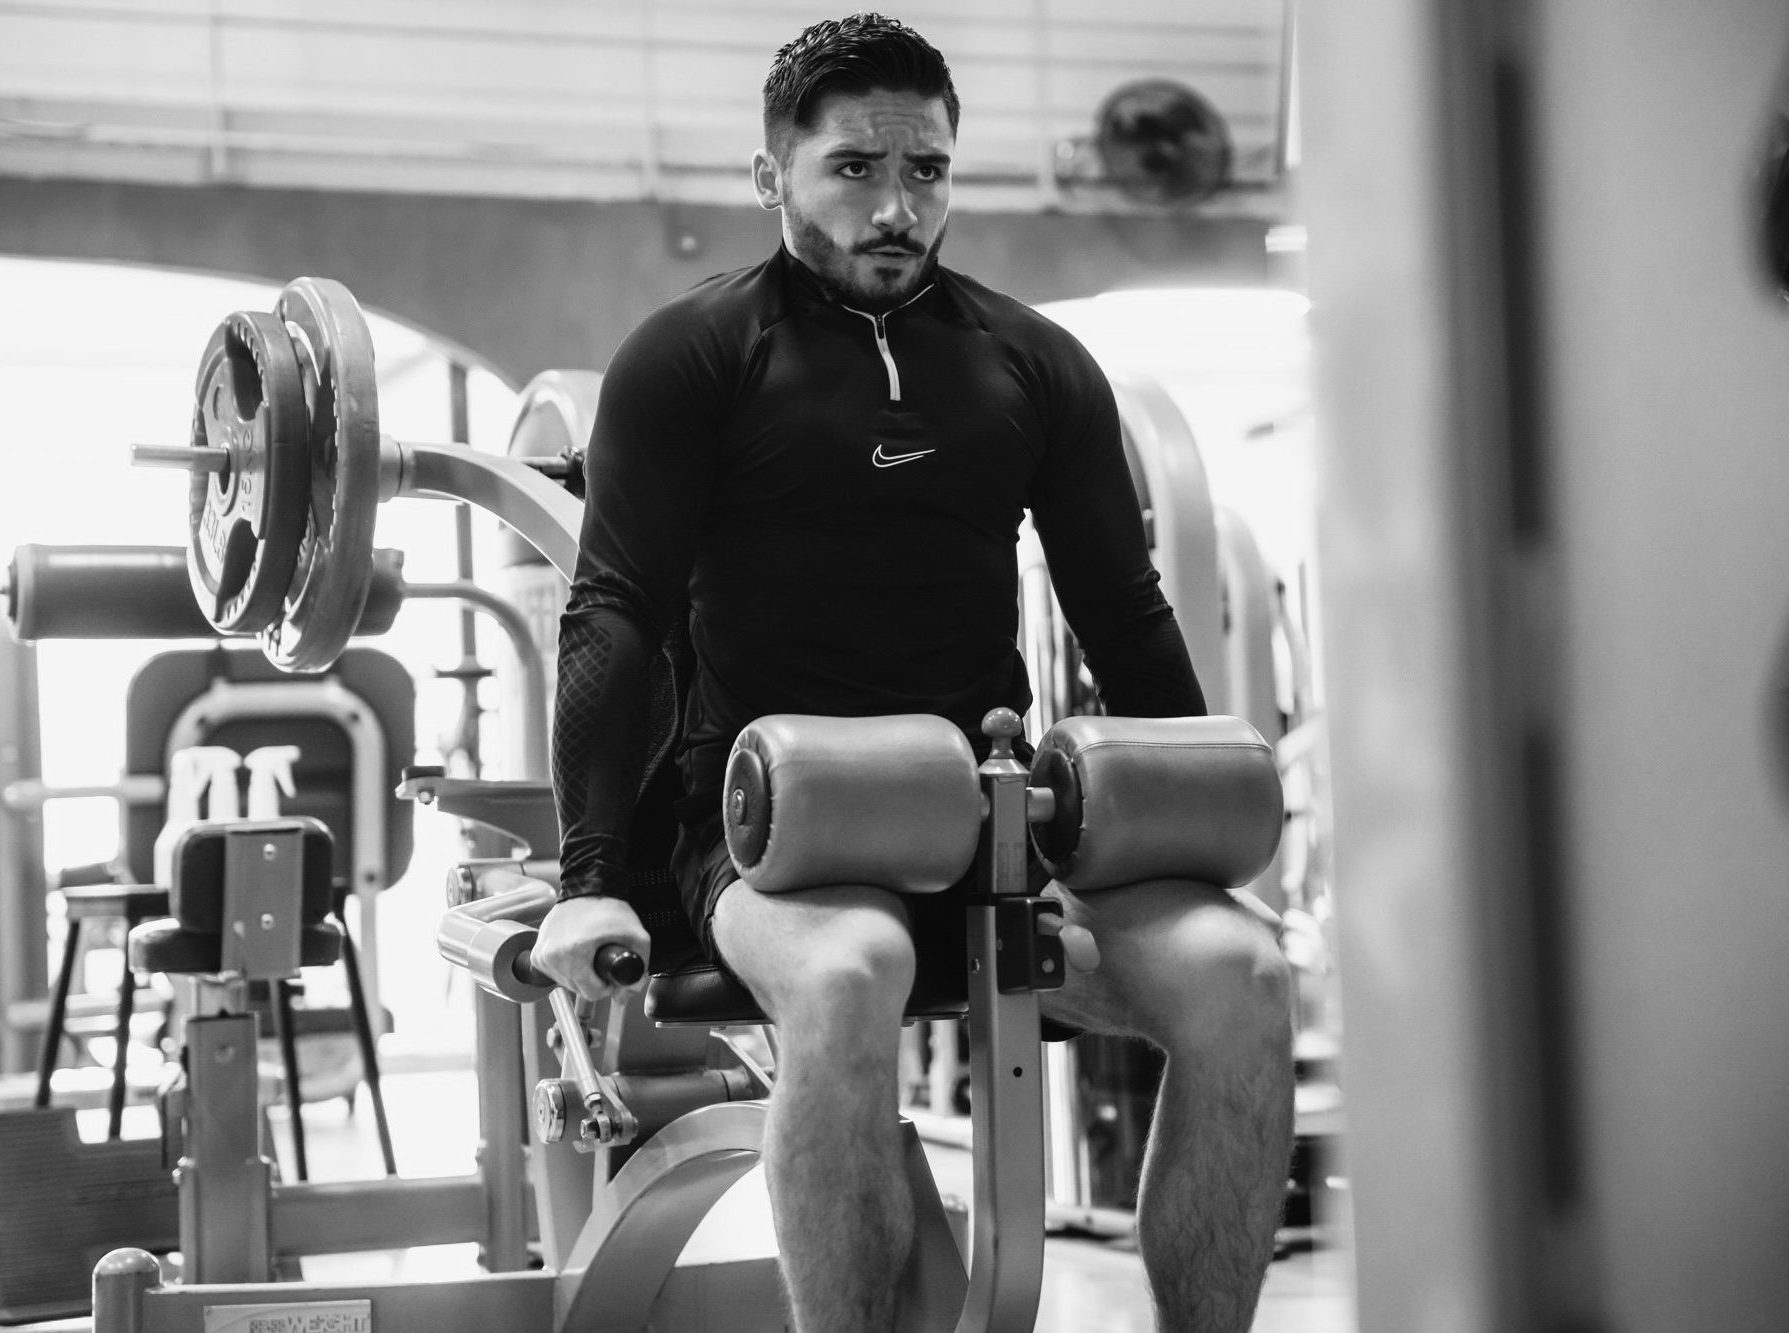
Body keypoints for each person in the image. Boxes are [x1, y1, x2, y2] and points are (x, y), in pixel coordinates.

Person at [526, 14, 1293, 1331]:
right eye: (855, 168)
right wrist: (588, 878)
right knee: (850, 973)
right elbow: (612, 614)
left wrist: (1190, 825)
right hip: (766, 839)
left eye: (925, 170)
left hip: (1000, 840)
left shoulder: (1030, 362)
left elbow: (1124, 614)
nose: (896, 207)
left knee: (1244, 975)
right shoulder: (693, 357)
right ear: (771, 177)